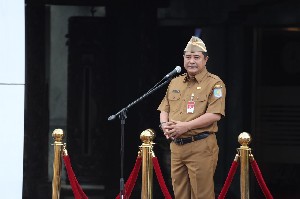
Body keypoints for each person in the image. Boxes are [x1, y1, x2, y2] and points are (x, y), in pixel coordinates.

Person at [157, 36, 226, 199]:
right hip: (176, 146)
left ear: (205, 59)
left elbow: (215, 114)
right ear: (183, 58)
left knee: (202, 195)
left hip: (200, 146)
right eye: (188, 57)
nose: (191, 61)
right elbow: (164, 109)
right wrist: (164, 126)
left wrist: (186, 126)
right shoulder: (175, 82)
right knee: (179, 194)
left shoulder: (215, 83)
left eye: (196, 57)